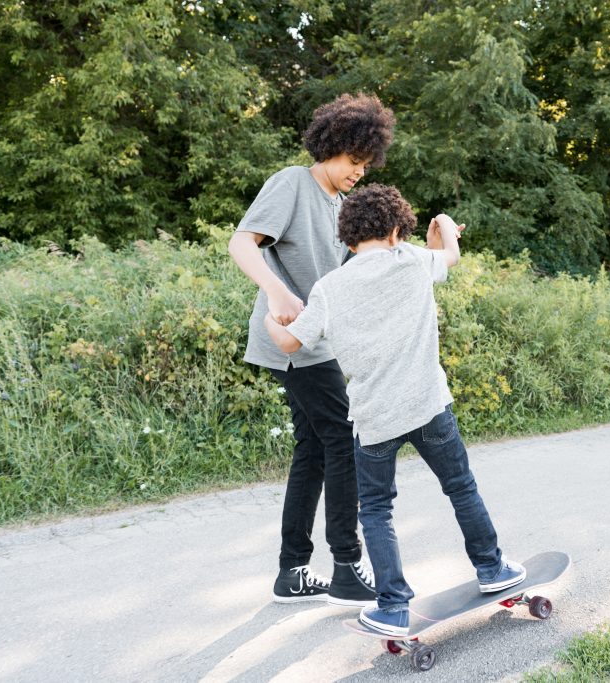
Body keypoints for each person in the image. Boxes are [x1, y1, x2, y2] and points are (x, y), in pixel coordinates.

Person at [263, 183, 525, 637]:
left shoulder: (330, 287)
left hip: (375, 420)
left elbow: (289, 342)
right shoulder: (412, 261)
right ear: (396, 231)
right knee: (460, 487)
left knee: (377, 511)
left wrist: (271, 315)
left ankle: (393, 606)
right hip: (428, 407)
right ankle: (492, 569)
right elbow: (450, 255)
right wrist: (443, 226)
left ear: (348, 241)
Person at [228, 93, 395, 607]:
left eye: (366, 165)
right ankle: (346, 565)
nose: (358, 173)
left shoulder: (341, 206)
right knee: (344, 439)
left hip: (318, 343)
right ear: (331, 145)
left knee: (315, 448)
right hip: (291, 340)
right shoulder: (292, 183)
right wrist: (277, 291)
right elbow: (241, 243)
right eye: (353, 161)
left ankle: (293, 572)